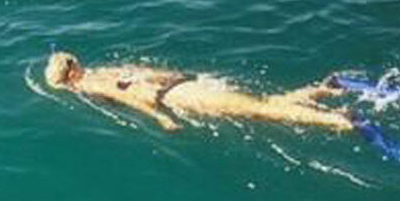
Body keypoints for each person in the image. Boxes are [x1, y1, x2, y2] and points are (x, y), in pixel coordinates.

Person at [44, 51, 352, 132]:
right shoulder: (100, 70)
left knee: (263, 111)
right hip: (187, 84)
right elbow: (148, 74)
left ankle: (338, 121)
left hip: (181, 98)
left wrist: (160, 118)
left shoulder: (90, 84)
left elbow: (130, 96)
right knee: (263, 103)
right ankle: (322, 91)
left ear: (69, 77)